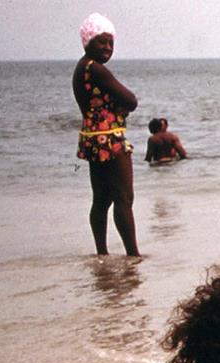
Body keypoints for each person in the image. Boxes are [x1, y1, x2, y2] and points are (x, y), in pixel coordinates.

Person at [72, 12, 140, 256]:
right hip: (110, 138)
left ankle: (101, 253)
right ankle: (133, 255)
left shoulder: (81, 68)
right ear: (87, 41)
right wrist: (123, 105)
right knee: (124, 197)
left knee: (101, 199)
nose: (108, 47)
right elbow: (130, 100)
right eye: (102, 41)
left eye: (111, 42)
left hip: (92, 138)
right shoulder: (96, 69)